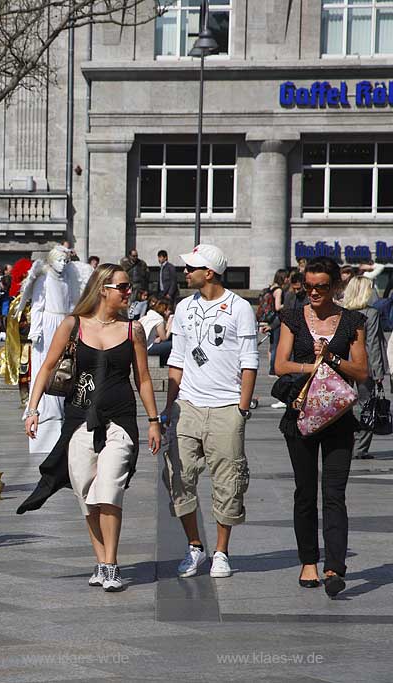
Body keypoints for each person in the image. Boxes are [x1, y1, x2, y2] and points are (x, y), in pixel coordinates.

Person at [18, 265, 162, 591]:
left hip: (121, 421)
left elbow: (142, 379)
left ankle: (111, 565)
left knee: (109, 489)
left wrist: (154, 421)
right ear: (103, 289)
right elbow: (48, 366)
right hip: (79, 421)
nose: (130, 292)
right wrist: (32, 409)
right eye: (123, 287)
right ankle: (100, 562)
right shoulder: (73, 325)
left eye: (129, 287)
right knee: (87, 495)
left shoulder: (133, 330)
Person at [161, 244, 258, 580]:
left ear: (211, 273)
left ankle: (221, 551)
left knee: (228, 482)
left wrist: (241, 409)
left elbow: (249, 361)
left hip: (226, 406)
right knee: (178, 476)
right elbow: (177, 359)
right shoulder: (184, 306)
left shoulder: (240, 308)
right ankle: (194, 546)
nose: (185, 273)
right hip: (187, 405)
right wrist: (168, 406)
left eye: (192, 268)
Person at [273, 257, 368, 598]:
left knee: (334, 494)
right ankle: (308, 561)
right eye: (308, 285)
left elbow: (361, 372)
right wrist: (310, 364)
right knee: (304, 491)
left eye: (321, 286)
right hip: (300, 416)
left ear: (334, 287)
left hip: (338, 418)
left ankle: (334, 568)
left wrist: (332, 359)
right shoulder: (293, 317)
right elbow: (280, 365)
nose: (313, 292)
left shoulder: (352, 321)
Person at [16, 243, 86, 460]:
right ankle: (43, 409)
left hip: (63, 322)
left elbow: (74, 302)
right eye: (59, 260)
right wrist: (35, 330)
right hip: (48, 324)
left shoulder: (68, 278)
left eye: (66, 261)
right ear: (50, 260)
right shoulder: (44, 278)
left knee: (63, 366)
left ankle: (61, 408)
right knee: (46, 365)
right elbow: (37, 305)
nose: (63, 264)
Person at [342, 276, 388, 460]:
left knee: (343, 406)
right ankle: (360, 448)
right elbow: (373, 344)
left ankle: (345, 443)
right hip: (364, 365)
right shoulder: (370, 313)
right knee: (367, 405)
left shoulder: (342, 312)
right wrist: (378, 372)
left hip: (344, 363)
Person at [259, 269, 287, 383]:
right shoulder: (279, 290)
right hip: (275, 319)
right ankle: (273, 369)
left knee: (271, 346)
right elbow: (277, 307)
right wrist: (286, 304)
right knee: (276, 345)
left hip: (269, 319)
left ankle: (271, 368)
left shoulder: (271, 287)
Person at [139, 295, 173, 365]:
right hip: (148, 348)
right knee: (174, 344)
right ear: (164, 308)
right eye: (169, 309)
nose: (169, 311)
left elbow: (159, 334)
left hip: (141, 347)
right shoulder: (158, 319)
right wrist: (171, 323)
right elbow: (164, 338)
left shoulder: (148, 316)